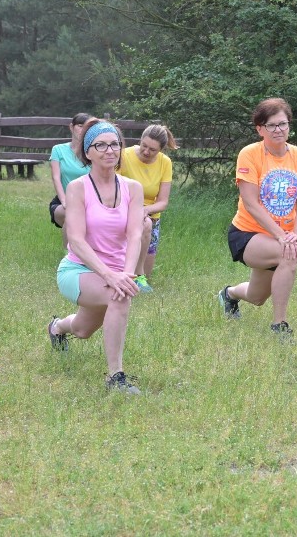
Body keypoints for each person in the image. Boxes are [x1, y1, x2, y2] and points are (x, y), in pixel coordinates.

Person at [46, 118, 145, 394]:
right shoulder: (78, 187)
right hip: (78, 270)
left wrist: (126, 273)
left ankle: (56, 327)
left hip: (115, 272)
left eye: (115, 144)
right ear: (88, 152)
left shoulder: (132, 188)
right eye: (100, 145)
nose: (109, 150)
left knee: (82, 329)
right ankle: (116, 377)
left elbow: (135, 234)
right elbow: (76, 240)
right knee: (119, 297)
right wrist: (109, 276)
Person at [218, 97, 297, 337]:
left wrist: (295, 237)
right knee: (288, 255)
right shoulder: (249, 154)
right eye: (271, 125)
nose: (278, 130)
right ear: (260, 129)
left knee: (256, 297)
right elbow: (251, 203)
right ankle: (279, 326)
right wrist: (282, 238)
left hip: (281, 237)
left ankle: (229, 294)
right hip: (247, 233)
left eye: (283, 124)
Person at [118, 124, 177, 292]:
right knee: (145, 225)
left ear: (161, 150)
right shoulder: (124, 155)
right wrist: (134, 210)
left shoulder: (165, 163)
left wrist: (145, 211)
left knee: (146, 273)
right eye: (144, 146)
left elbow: (163, 202)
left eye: (152, 150)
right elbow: (114, 188)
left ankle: (138, 275)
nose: (146, 152)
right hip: (124, 207)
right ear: (140, 140)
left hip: (149, 212)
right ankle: (132, 274)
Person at [49, 112, 92, 247]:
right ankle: (69, 258)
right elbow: (56, 178)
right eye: (80, 125)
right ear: (71, 127)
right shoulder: (58, 150)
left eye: (86, 127)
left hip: (90, 200)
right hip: (64, 199)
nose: (82, 129)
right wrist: (64, 201)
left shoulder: (93, 152)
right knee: (71, 216)